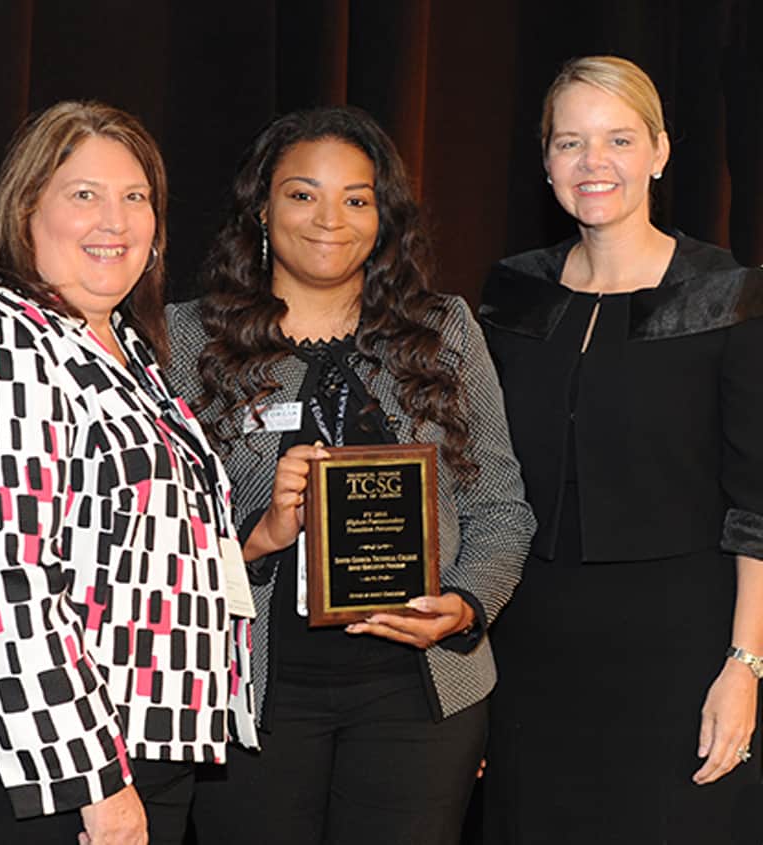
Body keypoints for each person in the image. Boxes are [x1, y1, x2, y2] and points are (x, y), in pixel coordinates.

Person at [0, 100, 255, 845]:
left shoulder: (123, 350)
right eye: (84, 194)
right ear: (26, 209)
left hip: (124, 751)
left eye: (136, 198)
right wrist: (94, 781)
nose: (116, 220)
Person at [165, 106, 535, 844]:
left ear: (383, 216)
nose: (329, 218)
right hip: (253, 700)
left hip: (420, 700)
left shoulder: (445, 330)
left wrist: (463, 606)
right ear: (261, 207)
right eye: (303, 194)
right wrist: (257, 536)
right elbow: (155, 537)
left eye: (356, 198)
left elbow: (502, 508)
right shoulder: (185, 338)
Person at [480, 55, 763, 844]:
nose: (593, 163)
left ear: (661, 152)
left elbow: (758, 505)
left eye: (618, 139)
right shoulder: (511, 295)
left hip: (681, 651)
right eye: (571, 142)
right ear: (546, 161)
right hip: (530, 650)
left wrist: (746, 666)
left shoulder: (725, 294)